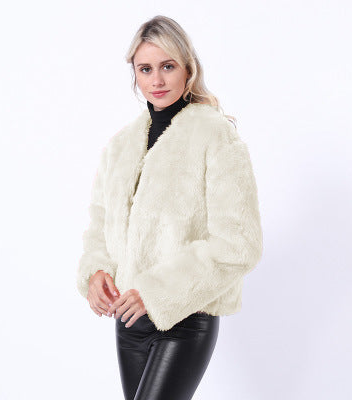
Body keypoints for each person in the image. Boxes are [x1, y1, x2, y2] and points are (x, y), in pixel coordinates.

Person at [76, 15, 263, 400]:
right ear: (134, 74)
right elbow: (100, 225)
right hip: (128, 320)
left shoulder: (215, 135)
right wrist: (96, 272)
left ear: (188, 70)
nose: (157, 80)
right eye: (145, 69)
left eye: (168, 66)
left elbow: (240, 245)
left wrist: (157, 291)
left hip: (184, 318)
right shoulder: (120, 146)